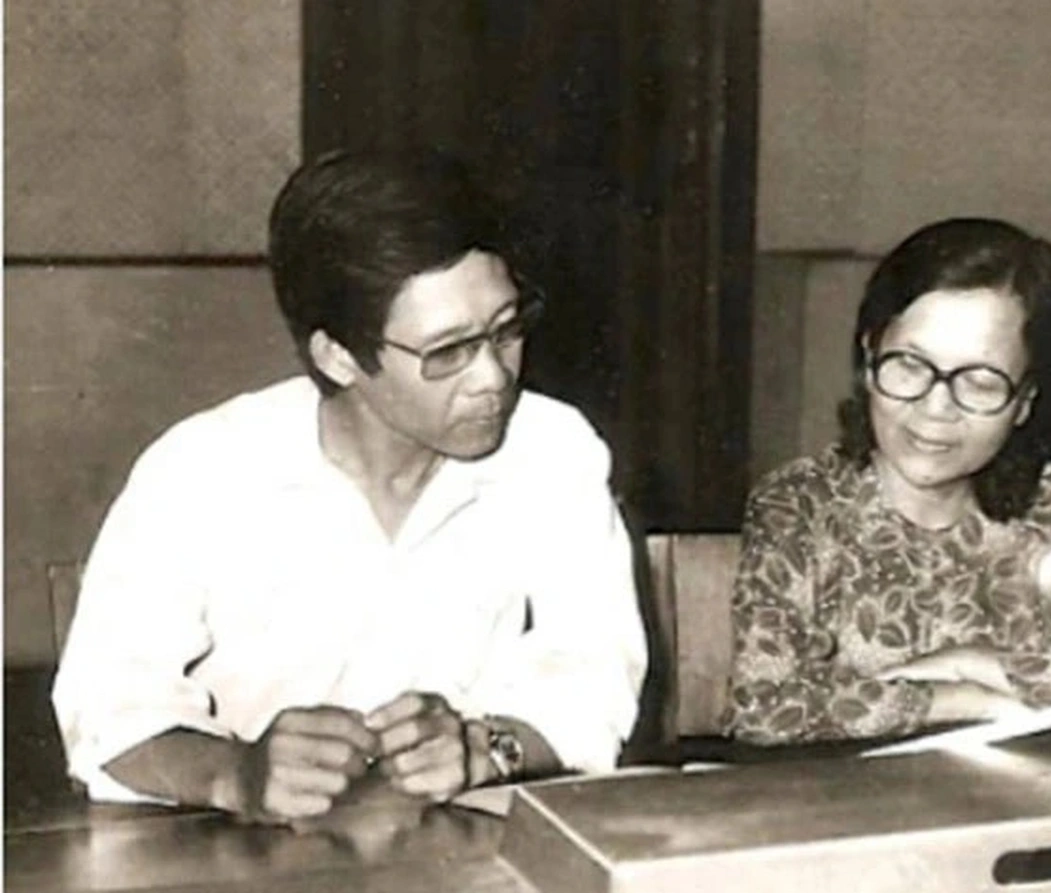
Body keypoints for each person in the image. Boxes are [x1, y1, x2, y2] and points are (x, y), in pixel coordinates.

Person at [52, 148, 648, 822]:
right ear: (338, 357)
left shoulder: (552, 450)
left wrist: (488, 747)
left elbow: (592, 671)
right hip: (225, 852)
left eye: (506, 330)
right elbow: (107, 707)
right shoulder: (201, 471)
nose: (493, 377)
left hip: (460, 851)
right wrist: (237, 774)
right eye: (447, 351)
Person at [725, 217, 1051, 744]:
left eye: (981, 382)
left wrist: (976, 664)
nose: (936, 407)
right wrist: (963, 692)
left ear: (1024, 401)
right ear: (868, 360)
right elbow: (762, 711)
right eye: (909, 365)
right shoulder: (800, 506)